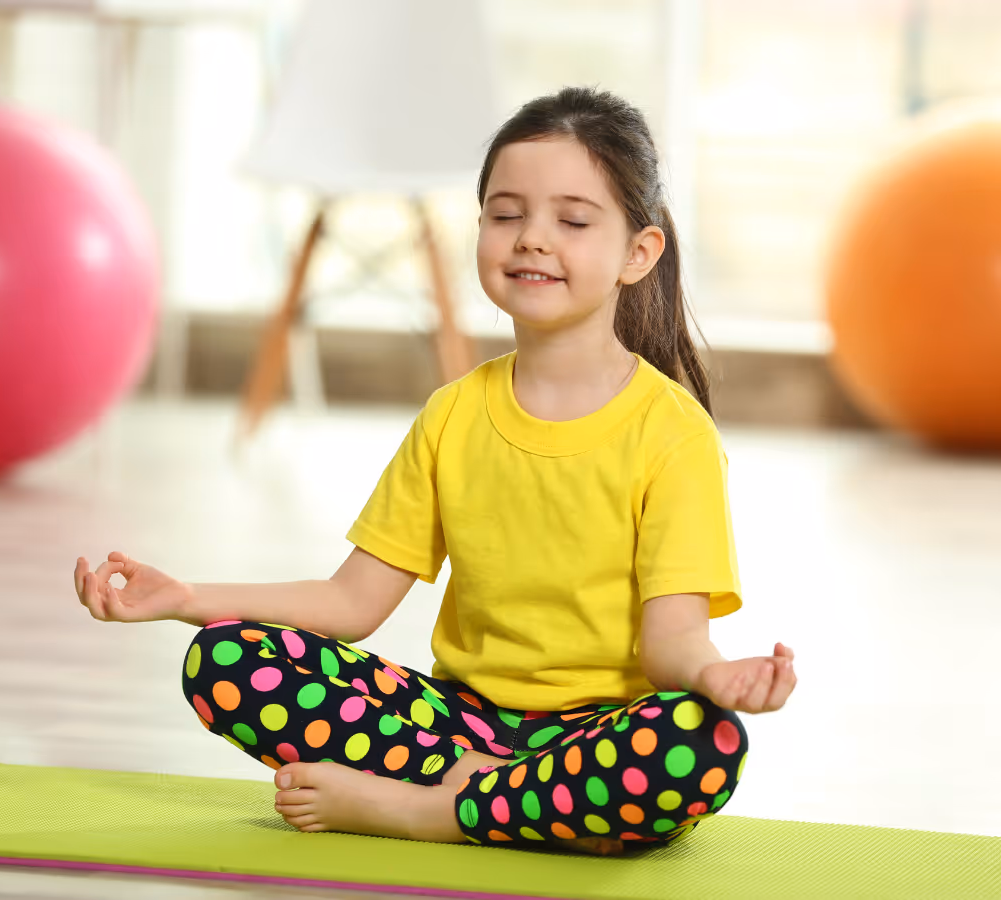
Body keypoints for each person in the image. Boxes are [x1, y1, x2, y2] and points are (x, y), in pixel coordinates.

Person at [73, 87, 797, 856]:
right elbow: (351, 601)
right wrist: (187, 598)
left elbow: (671, 642)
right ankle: (513, 803)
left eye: (574, 221)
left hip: (601, 735)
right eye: (506, 214)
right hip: (454, 726)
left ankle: (430, 811)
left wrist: (717, 680)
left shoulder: (673, 431)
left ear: (637, 254)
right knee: (227, 657)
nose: (532, 240)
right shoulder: (453, 414)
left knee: (704, 744)